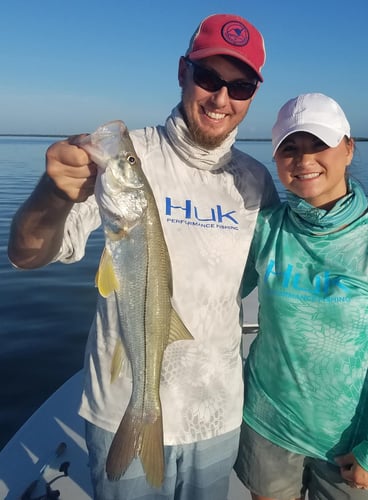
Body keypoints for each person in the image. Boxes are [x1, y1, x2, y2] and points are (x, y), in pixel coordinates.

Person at [8, 14, 279, 500]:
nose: (221, 99)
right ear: (182, 72)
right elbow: (27, 256)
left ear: (252, 95)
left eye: (239, 86)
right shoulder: (128, 157)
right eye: (209, 78)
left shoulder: (257, 181)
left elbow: (284, 277)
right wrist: (53, 193)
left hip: (217, 411)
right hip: (122, 409)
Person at [234, 93, 368, 500]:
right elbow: (213, 292)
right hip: (266, 422)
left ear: (348, 147)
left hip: (349, 440)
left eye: (318, 145)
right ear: (275, 159)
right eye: (290, 148)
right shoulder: (265, 228)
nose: (304, 161)